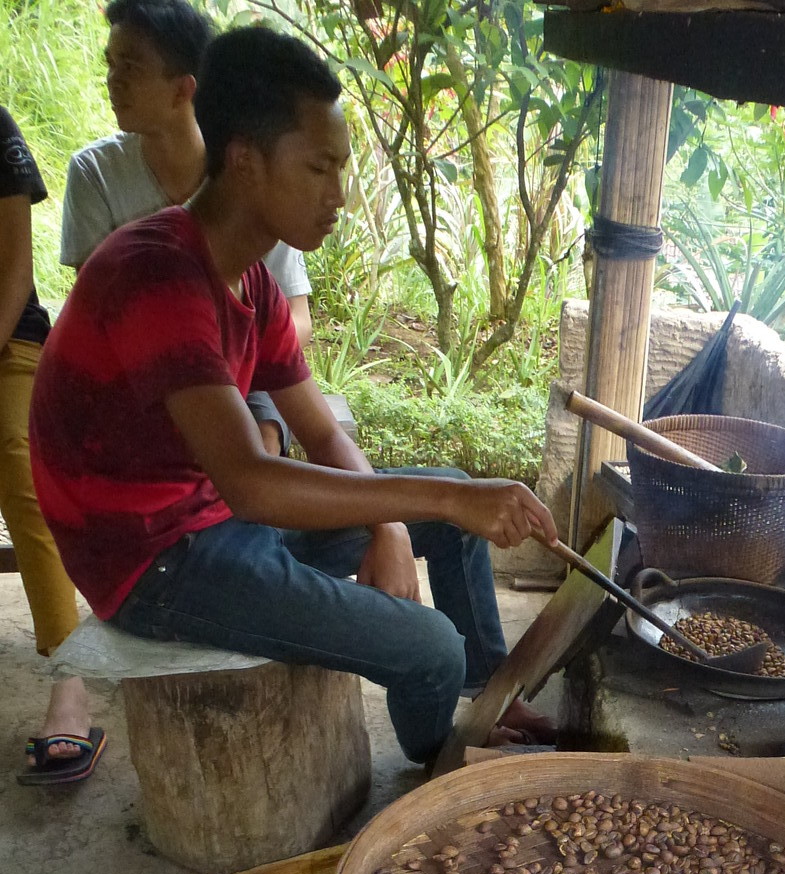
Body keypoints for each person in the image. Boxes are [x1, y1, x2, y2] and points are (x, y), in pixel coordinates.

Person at [30, 26, 554, 769]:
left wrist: (398, 525)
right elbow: (249, 483)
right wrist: (417, 506)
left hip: (209, 520)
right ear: (244, 161)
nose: (338, 197)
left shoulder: (253, 283)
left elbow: (320, 431)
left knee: (458, 497)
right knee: (427, 644)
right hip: (151, 564)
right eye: (319, 168)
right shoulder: (155, 274)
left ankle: (488, 691)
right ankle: (445, 757)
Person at [62, 0, 311, 456]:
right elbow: (108, 315)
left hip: (243, 375)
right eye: (110, 63)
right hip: (142, 379)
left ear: (183, 90)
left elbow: (297, 319)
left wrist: (241, 367)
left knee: (265, 440)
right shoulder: (95, 173)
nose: (112, 79)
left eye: (131, 66)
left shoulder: (242, 178)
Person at [0, 106, 104, 783]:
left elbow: (14, 271)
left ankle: (71, 682)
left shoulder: (0, 135)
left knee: (19, 465)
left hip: (10, 341)